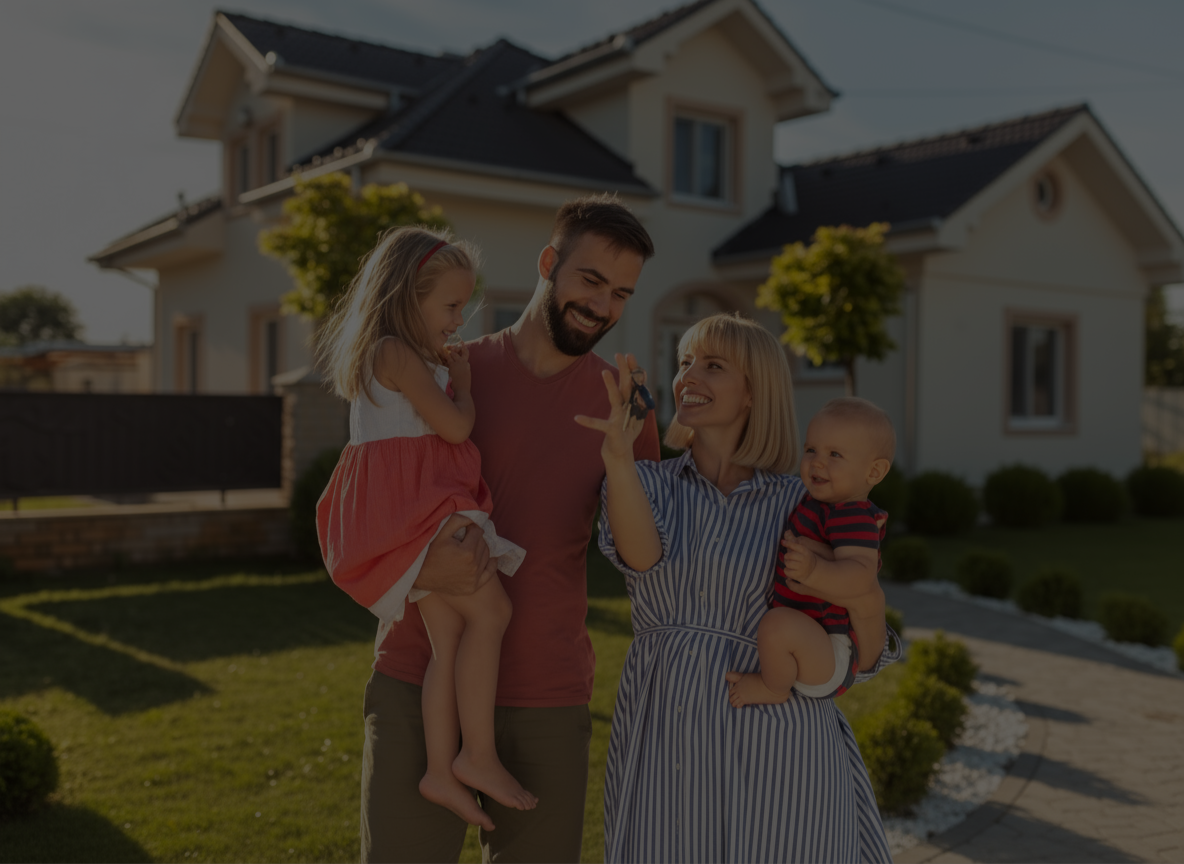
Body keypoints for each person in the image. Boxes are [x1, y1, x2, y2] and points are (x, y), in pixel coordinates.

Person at [357, 195, 660, 863]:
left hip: (545, 696)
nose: (603, 306)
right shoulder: (445, 375)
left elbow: (645, 561)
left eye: (621, 294)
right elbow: (356, 511)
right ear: (549, 263)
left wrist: (625, 455)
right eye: (590, 280)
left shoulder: (625, 408)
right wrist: (420, 569)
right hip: (417, 682)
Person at [580, 313, 900, 863]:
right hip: (669, 731)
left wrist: (866, 602)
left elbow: (861, 646)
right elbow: (642, 557)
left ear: (753, 392)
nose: (688, 376)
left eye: (712, 365)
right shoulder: (647, 482)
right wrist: (618, 456)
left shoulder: (802, 501)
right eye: (684, 363)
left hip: (780, 744)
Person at [314, 227, 536, 831]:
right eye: (450, 306)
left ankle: (443, 769)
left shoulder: (397, 356)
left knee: (452, 640)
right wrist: (462, 389)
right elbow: (456, 430)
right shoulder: (394, 354)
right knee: (492, 616)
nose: (459, 318)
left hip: (420, 514)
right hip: (421, 515)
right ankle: (478, 755)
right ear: (409, 297)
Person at [725, 396, 894, 706]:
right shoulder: (819, 504)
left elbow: (861, 576)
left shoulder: (851, 513)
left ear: (873, 472)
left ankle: (773, 689)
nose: (817, 461)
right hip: (814, 642)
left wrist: (814, 570)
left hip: (832, 647)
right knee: (778, 626)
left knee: (777, 626)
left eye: (835, 454)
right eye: (811, 449)